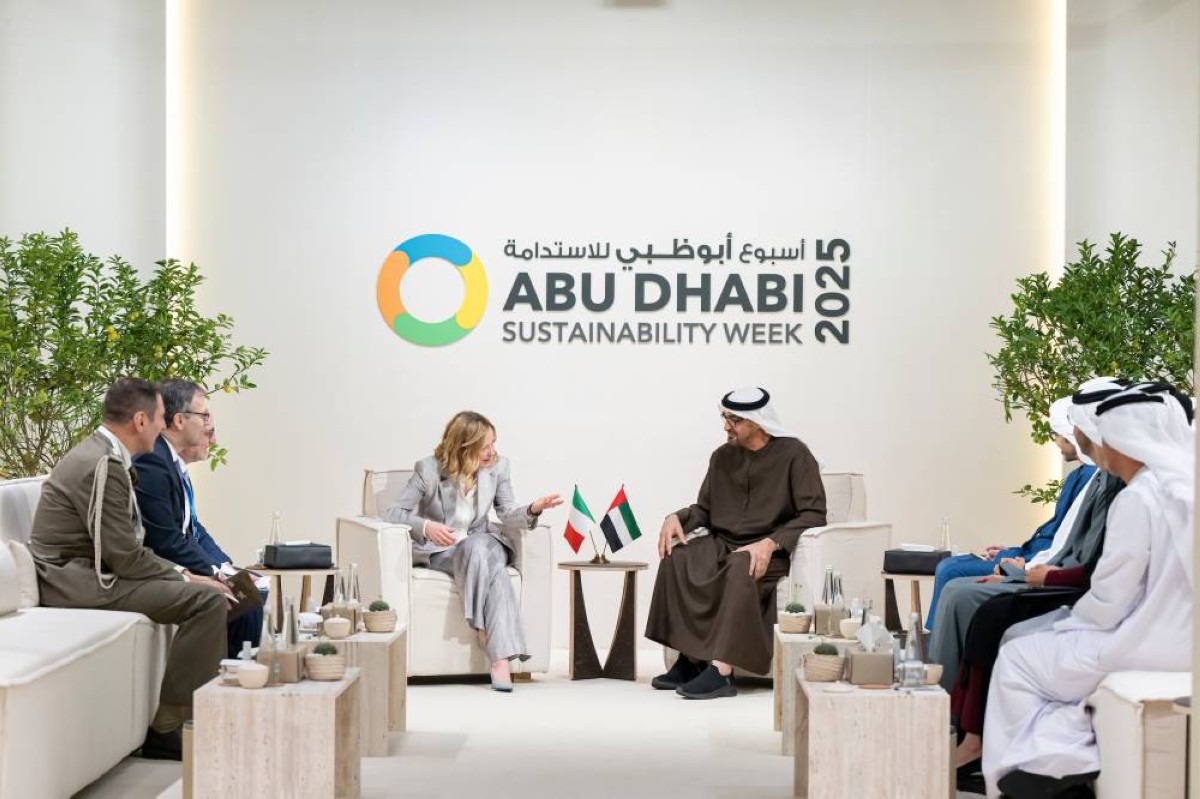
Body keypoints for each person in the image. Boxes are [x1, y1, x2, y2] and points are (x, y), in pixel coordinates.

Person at [982, 383, 1194, 798]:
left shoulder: (1139, 498)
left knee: (1019, 657)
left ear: (1121, 439)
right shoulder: (1184, 487)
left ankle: (1039, 772)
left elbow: (1110, 601)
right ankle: (1061, 760)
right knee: (1048, 655)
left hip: (1145, 646)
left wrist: (1070, 623)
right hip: (1183, 643)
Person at [29, 378, 231, 760]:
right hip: (73, 580)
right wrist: (186, 576)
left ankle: (190, 719)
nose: (163, 426)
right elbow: (125, 556)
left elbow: (124, 550)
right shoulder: (102, 465)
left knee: (208, 594)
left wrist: (188, 575)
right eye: (160, 418)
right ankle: (170, 728)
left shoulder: (107, 455)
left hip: (90, 571)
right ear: (140, 421)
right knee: (206, 601)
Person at [927, 381, 1128, 692]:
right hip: (1047, 570)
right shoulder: (1096, 478)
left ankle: (945, 700)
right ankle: (938, 690)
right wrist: (1017, 561)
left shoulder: (1113, 483)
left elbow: (1084, 559)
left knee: (960, 590)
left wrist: (1023, 571)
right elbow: (1063, 541)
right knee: (954, 581)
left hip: (1064, 586)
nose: (1066, 435)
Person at [645, 387, 827, 700]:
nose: (726, 426)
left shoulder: (795, 455)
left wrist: (771, 543)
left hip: (768, 551)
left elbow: (814, 513)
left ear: (757, 422)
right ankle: (690, 660)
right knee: (677, 557)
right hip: (723, 541)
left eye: (734, 420)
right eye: (725, 418)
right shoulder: (722, 457)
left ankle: (722, 672)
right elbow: (704, 509)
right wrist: (676, 517)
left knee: (740, 564)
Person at [382, 411, 562, 691]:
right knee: (497, 575)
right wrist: (427, 527)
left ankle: (484, 629)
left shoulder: (498, 468)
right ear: (463, 446)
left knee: (477, 546)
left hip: (485, 543)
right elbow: (393, 512)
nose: (492, 452)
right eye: (484, 446)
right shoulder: (428, 470)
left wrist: (532, 509)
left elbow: (506, 512)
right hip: (445, 552)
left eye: (493, 443)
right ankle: (499, 658)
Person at [925, 397, 1096, 630]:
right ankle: (935, 641)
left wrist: (1023, 562)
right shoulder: (1079, 475)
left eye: (1055, 434)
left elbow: (1065, 542)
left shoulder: (1091, 478)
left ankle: (934, 644)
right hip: (1032, 556)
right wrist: (1012, 551)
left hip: (1039, 564)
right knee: (954, 563)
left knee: (950, 569)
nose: (1055, 441)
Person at [133, 379, 264, 657]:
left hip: (178, 564)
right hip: (158, 570)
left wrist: (226, 567)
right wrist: (217, 573)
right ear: (179, 420)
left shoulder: (170, 462)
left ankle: (240, 672)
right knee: (244, 600)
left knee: (251, 593)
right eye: (203, 416)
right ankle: (233, 675)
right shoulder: (152, 460)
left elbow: (193, 528)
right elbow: (165, 540)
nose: (209, 430)